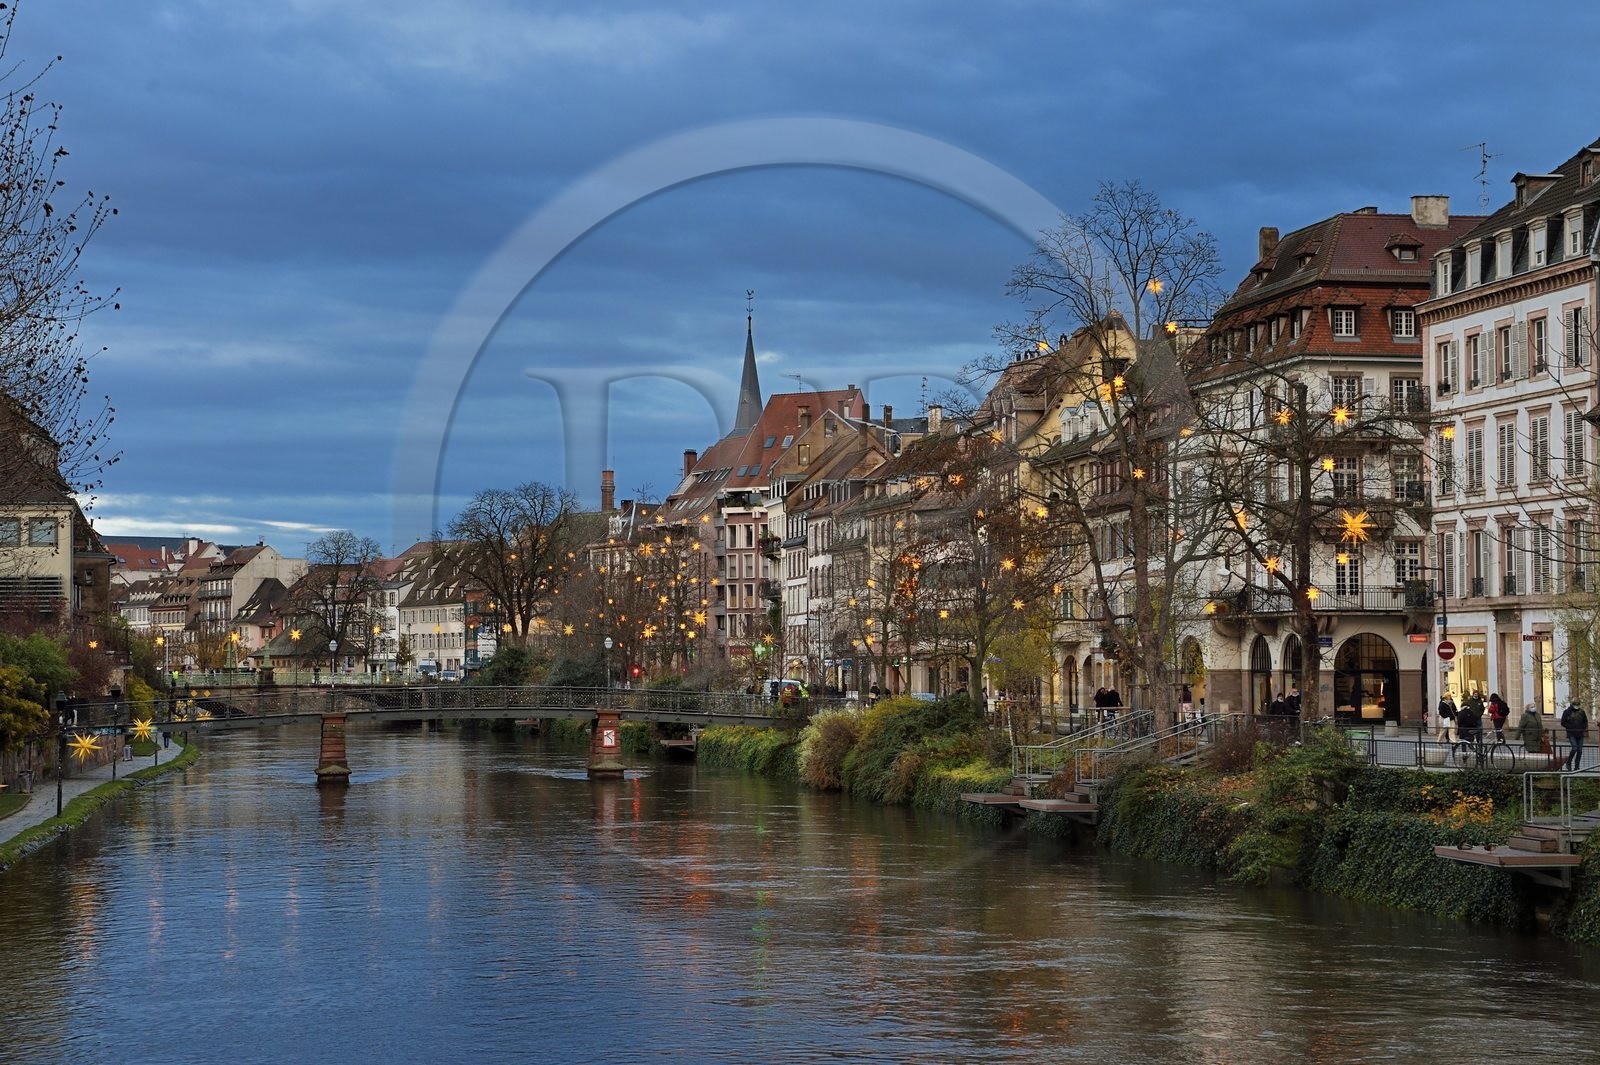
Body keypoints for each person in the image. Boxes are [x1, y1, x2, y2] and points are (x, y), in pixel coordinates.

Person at [1561, 701, 1589, 771]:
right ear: (1572, 704)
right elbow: (1563, 722)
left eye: (1578, 704)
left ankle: (1577, 766)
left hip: (1580, 733)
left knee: (1579, 750)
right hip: (1571, 733)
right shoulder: (1567, 712)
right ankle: (1569, 762)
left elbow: (1585, 721)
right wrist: (1570, 727)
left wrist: (1583, 728)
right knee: (1574, 748)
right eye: (1575, 704)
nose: (1577, 706)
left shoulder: (1582, 712)